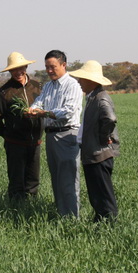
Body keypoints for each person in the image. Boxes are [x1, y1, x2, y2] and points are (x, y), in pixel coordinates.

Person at [27, 50, 83, 217]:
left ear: (63, 65)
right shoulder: (48, 86)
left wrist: (45, 113)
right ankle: (61, 213)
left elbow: (68, 111)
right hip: (51, 135)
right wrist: (32, 109)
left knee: (69, 180)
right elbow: (39, 101)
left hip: (67, 135)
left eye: (52, 67)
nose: (49, 70)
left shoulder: (72, 85)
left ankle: (71, 217)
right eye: (47, 67)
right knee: (57, 178)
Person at [69, 60, 120, 221]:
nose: (79, 82)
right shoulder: (92, 97)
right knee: (96, 192)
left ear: (91, 80)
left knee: (103, 193)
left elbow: (110, 119)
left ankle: (109, 222)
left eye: (82, 79)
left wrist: (104, 138)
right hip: (93, 153)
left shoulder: (100, 99)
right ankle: (100, 220)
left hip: (100, 154)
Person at [0, 52, 43, 201]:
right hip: (15, 144)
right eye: (14, 69)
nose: (18, 72)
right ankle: (15, 208)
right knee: (16, 181)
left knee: (33, 180)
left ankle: (31, 207)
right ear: (10, 71)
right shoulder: (4, 92)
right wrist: (8, 134)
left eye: (20, 68)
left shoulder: (38, 87)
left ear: (26, 67)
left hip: (35, 143)